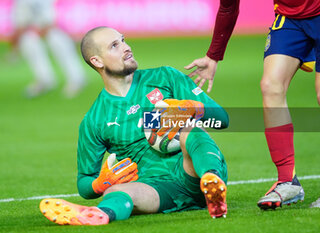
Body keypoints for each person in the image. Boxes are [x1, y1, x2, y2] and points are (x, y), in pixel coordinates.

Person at [39, 27, 230, 225]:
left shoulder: (166, 77)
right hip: (155, 189)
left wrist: (195, 109)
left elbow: (223, 119)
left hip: (193, 171)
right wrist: (99, 184)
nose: (127, 48)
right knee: (114, 192)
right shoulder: (94, 119)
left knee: (190, 128)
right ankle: (98, 215)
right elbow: (84, 182)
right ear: (97, 61)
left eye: (123, 40)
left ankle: (212, 183)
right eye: (115, 45)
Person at [186, 0, 320, 209]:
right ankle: (287, 181)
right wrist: (213, 56)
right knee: (270, 86)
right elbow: (228, 6)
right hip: (289, 17)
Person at [11, 0, 86, 98]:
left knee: (57, 39)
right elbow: (21, 23)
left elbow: (54, 18)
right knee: (29, 41)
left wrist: (41, 30)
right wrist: (15, 49)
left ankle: (76, 78)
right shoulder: (22, 2)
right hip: (34, 30)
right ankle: (45, 80)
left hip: (54, 28)